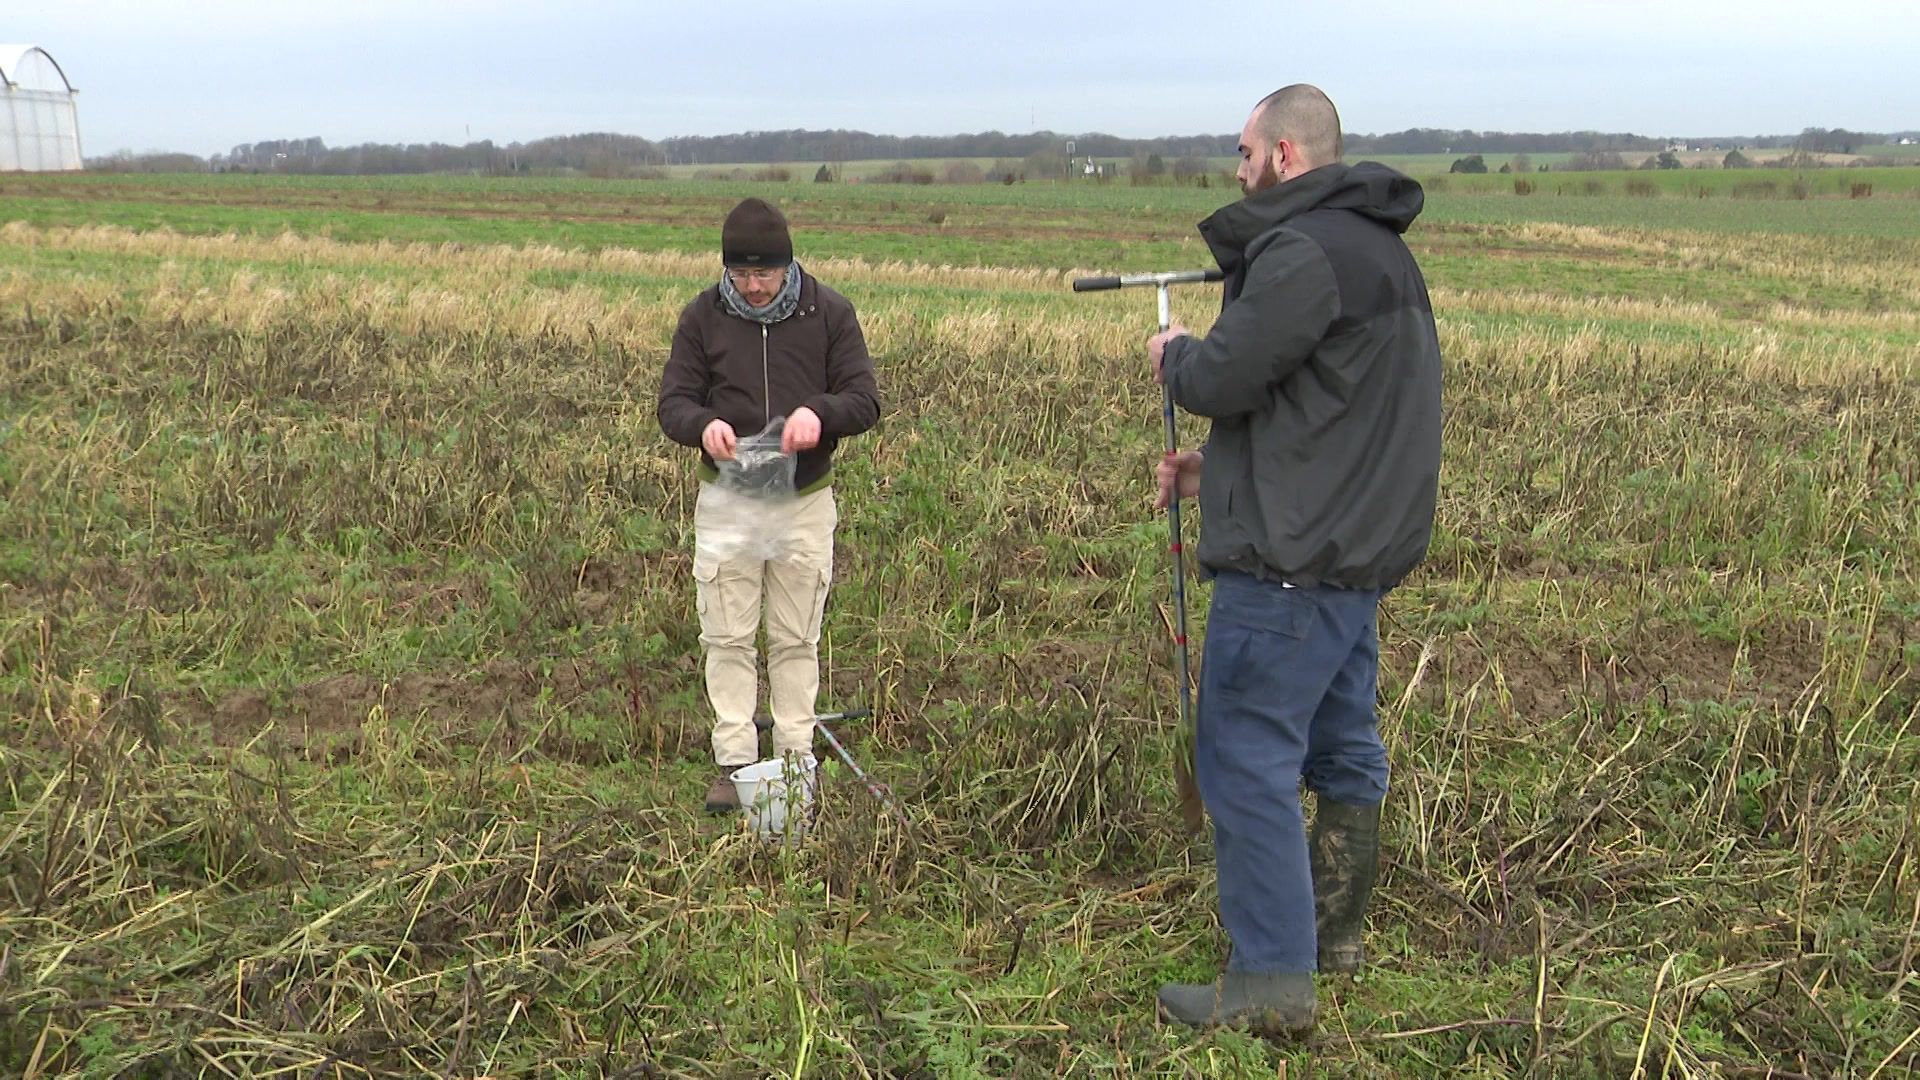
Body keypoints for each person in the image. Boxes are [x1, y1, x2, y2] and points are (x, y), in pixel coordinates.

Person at [1146, 85, 1443, 1035]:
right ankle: (1334, 937)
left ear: (1282, 153)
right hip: (1352, 560)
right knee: (1343, 746)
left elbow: (1227, 375)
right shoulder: (1380, 251)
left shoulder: (1299, 249)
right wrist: (1217, 473)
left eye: (1241, 154)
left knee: (1244, 754)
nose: (1235, 172)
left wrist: (1174, 355)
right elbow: (1327, 412)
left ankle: (1273, 982)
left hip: (1288, 568)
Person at [658, 197, 880, 813]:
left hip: (802, 502)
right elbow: (672, 402)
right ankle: (733, 762)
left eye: (765, 275)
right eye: (741, 275)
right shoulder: (701, 318)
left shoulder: (831, 313)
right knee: (726, 634)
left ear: (788, 265)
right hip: (728, 500)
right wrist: (703, 427)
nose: (753, 288)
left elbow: (864, 398)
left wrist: (819, 412)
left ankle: (794, 761)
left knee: (794, 635)